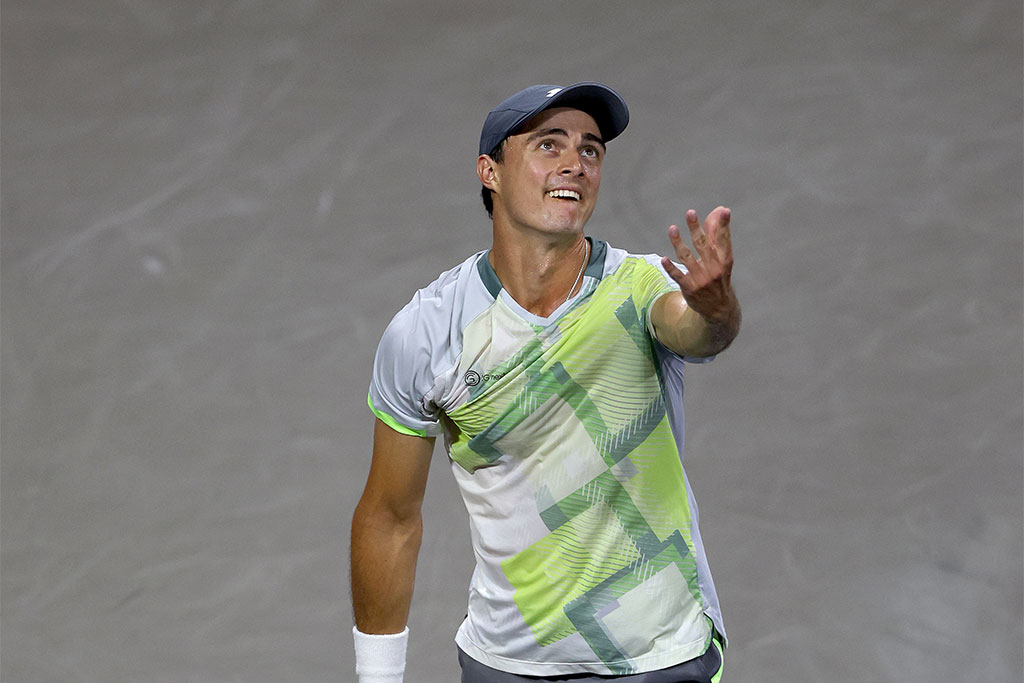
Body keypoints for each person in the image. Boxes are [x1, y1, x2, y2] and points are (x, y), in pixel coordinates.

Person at [351, 82, 740, 682]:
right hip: (508, 665)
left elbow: (697, 334)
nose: (574, 164)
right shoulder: (429, 333)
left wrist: (715, 309)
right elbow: (389, 517)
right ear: (491, 172)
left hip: (660, 658)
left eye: (590, 150)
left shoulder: (642, 287)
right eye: (547, 145)